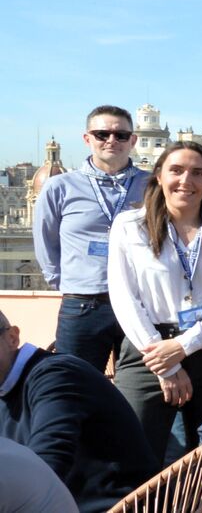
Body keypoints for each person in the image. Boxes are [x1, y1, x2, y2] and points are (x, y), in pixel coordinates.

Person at [107, 141, 202, 458]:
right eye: (176, 170)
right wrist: (166, 363)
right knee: (134, 455)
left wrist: (185, 345)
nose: (186, 181)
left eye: (198, 173)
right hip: (148, 351)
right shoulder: (129, 226)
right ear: (159, 176)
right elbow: (124, 297)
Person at [1, 310, 156, 512]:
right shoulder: (7, 387)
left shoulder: (56, 375)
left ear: (12, 337)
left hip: (116, 506)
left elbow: (46, 465)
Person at [33, 105, 150, 370]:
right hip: (84, 304)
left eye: (121, 135)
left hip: (141, 304)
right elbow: (45, 242)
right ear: (88, 139)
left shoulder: (152, 185)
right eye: (102, 134)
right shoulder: (60, 186)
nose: (111, 140)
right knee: (77, 387)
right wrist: (68, 283)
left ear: (132, 140)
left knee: (142, 392)